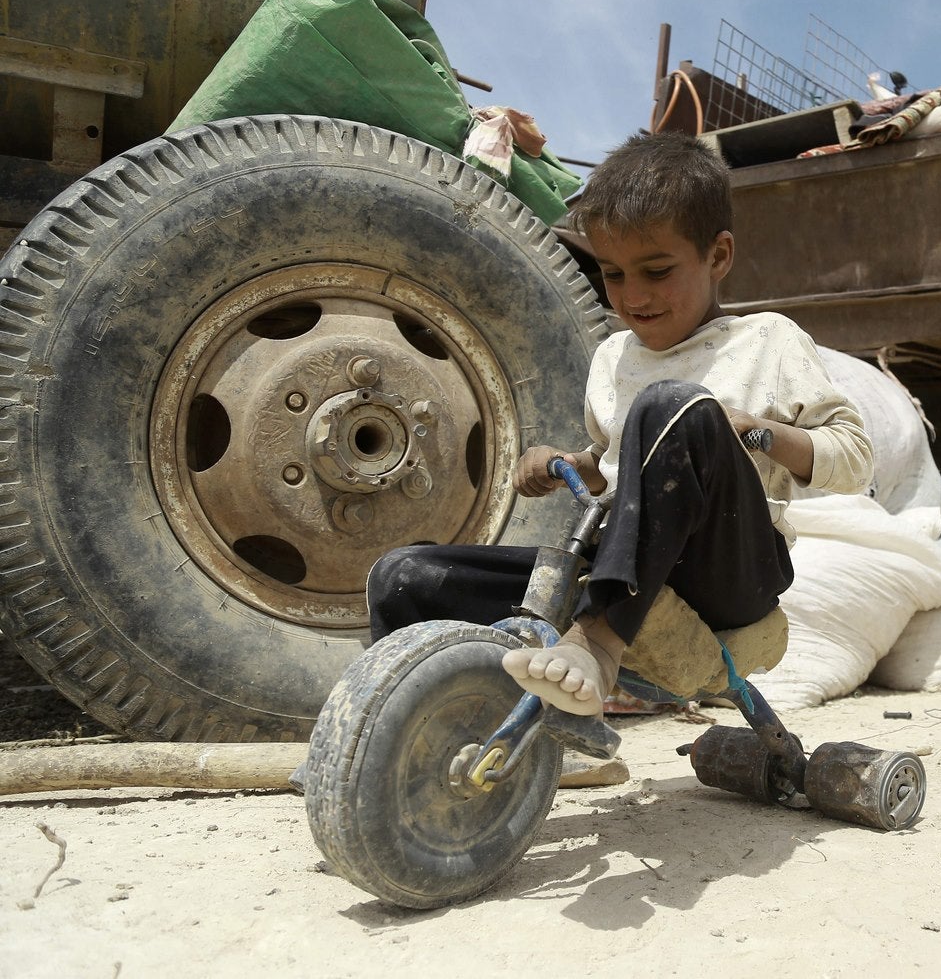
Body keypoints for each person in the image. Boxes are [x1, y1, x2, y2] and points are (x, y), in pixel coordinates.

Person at [365, 131, 873, 716]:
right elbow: (617, 475)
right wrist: (572, 463)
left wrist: (755, 433)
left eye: (657, 271)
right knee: (404, 575)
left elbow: (855, 459)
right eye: (614, 274)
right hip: (616, 562)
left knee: (672, 406)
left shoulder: (768, 340)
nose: (634, 296)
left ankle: (599, 643)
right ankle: (391, 721)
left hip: (730, 575)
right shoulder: (612, 357)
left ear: (718, 257)